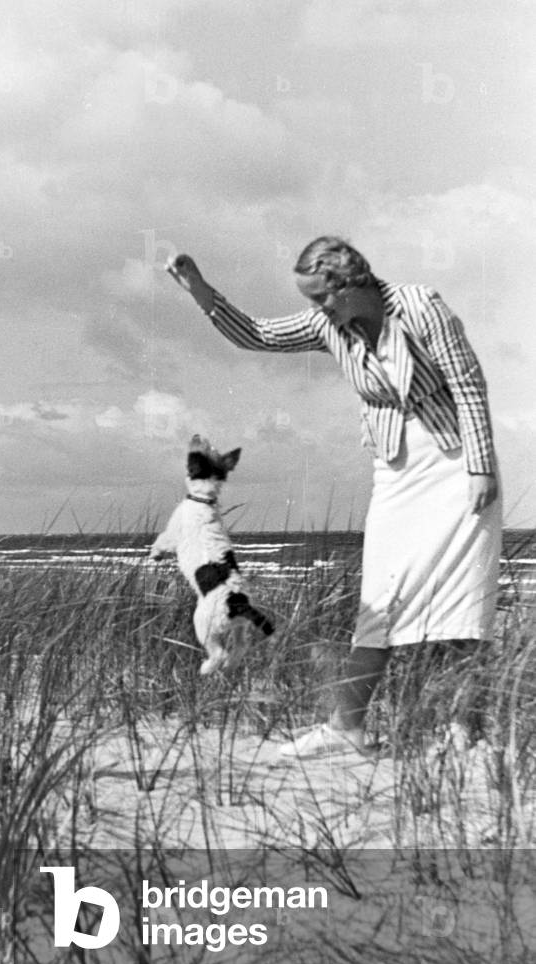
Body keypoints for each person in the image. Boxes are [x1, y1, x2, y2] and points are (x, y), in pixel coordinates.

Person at [165, 236, 502, 757]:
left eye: (323, 297)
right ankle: (348, 728)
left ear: (352, 282)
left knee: (461, 603)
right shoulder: (328, 324)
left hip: (456, 462)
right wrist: (201, 291)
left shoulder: (421, 306)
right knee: (379, 600)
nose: (317, 310)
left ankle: (465, 730)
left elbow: (468, 386)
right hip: (396, 469)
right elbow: (257, 335)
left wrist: (481, 468)